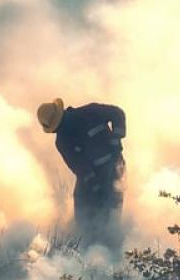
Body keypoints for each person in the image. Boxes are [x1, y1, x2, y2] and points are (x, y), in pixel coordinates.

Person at [37, 98, 126, 252]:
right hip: (94, 175)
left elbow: (118, 113)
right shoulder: (63, 140)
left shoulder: (91, 111)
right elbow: (80, 167)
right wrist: (94, 185)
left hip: (114, 167)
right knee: (84, 206)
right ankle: (86, 245)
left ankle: (112, 249)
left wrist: (116, 139)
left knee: (110, 210)